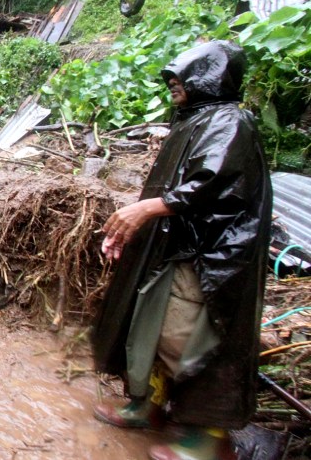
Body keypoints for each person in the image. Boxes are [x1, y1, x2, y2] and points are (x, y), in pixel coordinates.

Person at [91, 40, 272, 460]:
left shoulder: (230, 122)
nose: (173, 84)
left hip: (210, 258)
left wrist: (146, 209)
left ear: (208, 79)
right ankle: (147, 405)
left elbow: (214, 181)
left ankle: (208, 436)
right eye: (171, 78)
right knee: (149, 329)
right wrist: (134, 226)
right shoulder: (194, 121)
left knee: (189, 338)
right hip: (171, 252)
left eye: (182, 78)